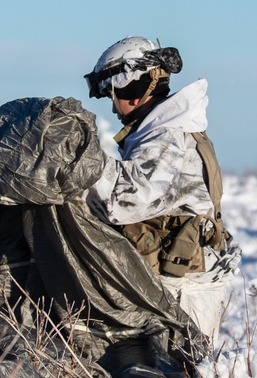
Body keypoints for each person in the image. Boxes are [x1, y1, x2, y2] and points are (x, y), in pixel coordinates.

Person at [83, 36, 237, 347]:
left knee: (182, 377)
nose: (112, 106)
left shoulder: (167, 136)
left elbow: (126, 201)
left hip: (183, 289)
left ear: (132, 86)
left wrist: (81, 163)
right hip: (176, 280)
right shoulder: (163, 130)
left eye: (112, 93)